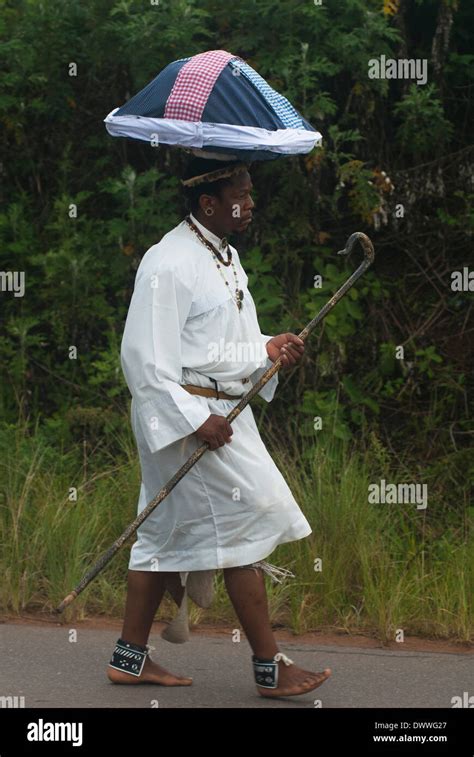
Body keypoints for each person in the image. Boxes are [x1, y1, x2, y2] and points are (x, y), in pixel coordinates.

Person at [106, 156, 331, 698]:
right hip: (186, 420)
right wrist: (194, 419)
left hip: (226, 416)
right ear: (209, 203)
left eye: (250, 192)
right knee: (248, 521)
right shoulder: (168, 262)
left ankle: (128, 659)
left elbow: (224, 348)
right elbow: (143, 359)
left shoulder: (226, 258)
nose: (250, 203)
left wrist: (267, 348)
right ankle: (269, 667)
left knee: (162, 536)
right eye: (241, 193)